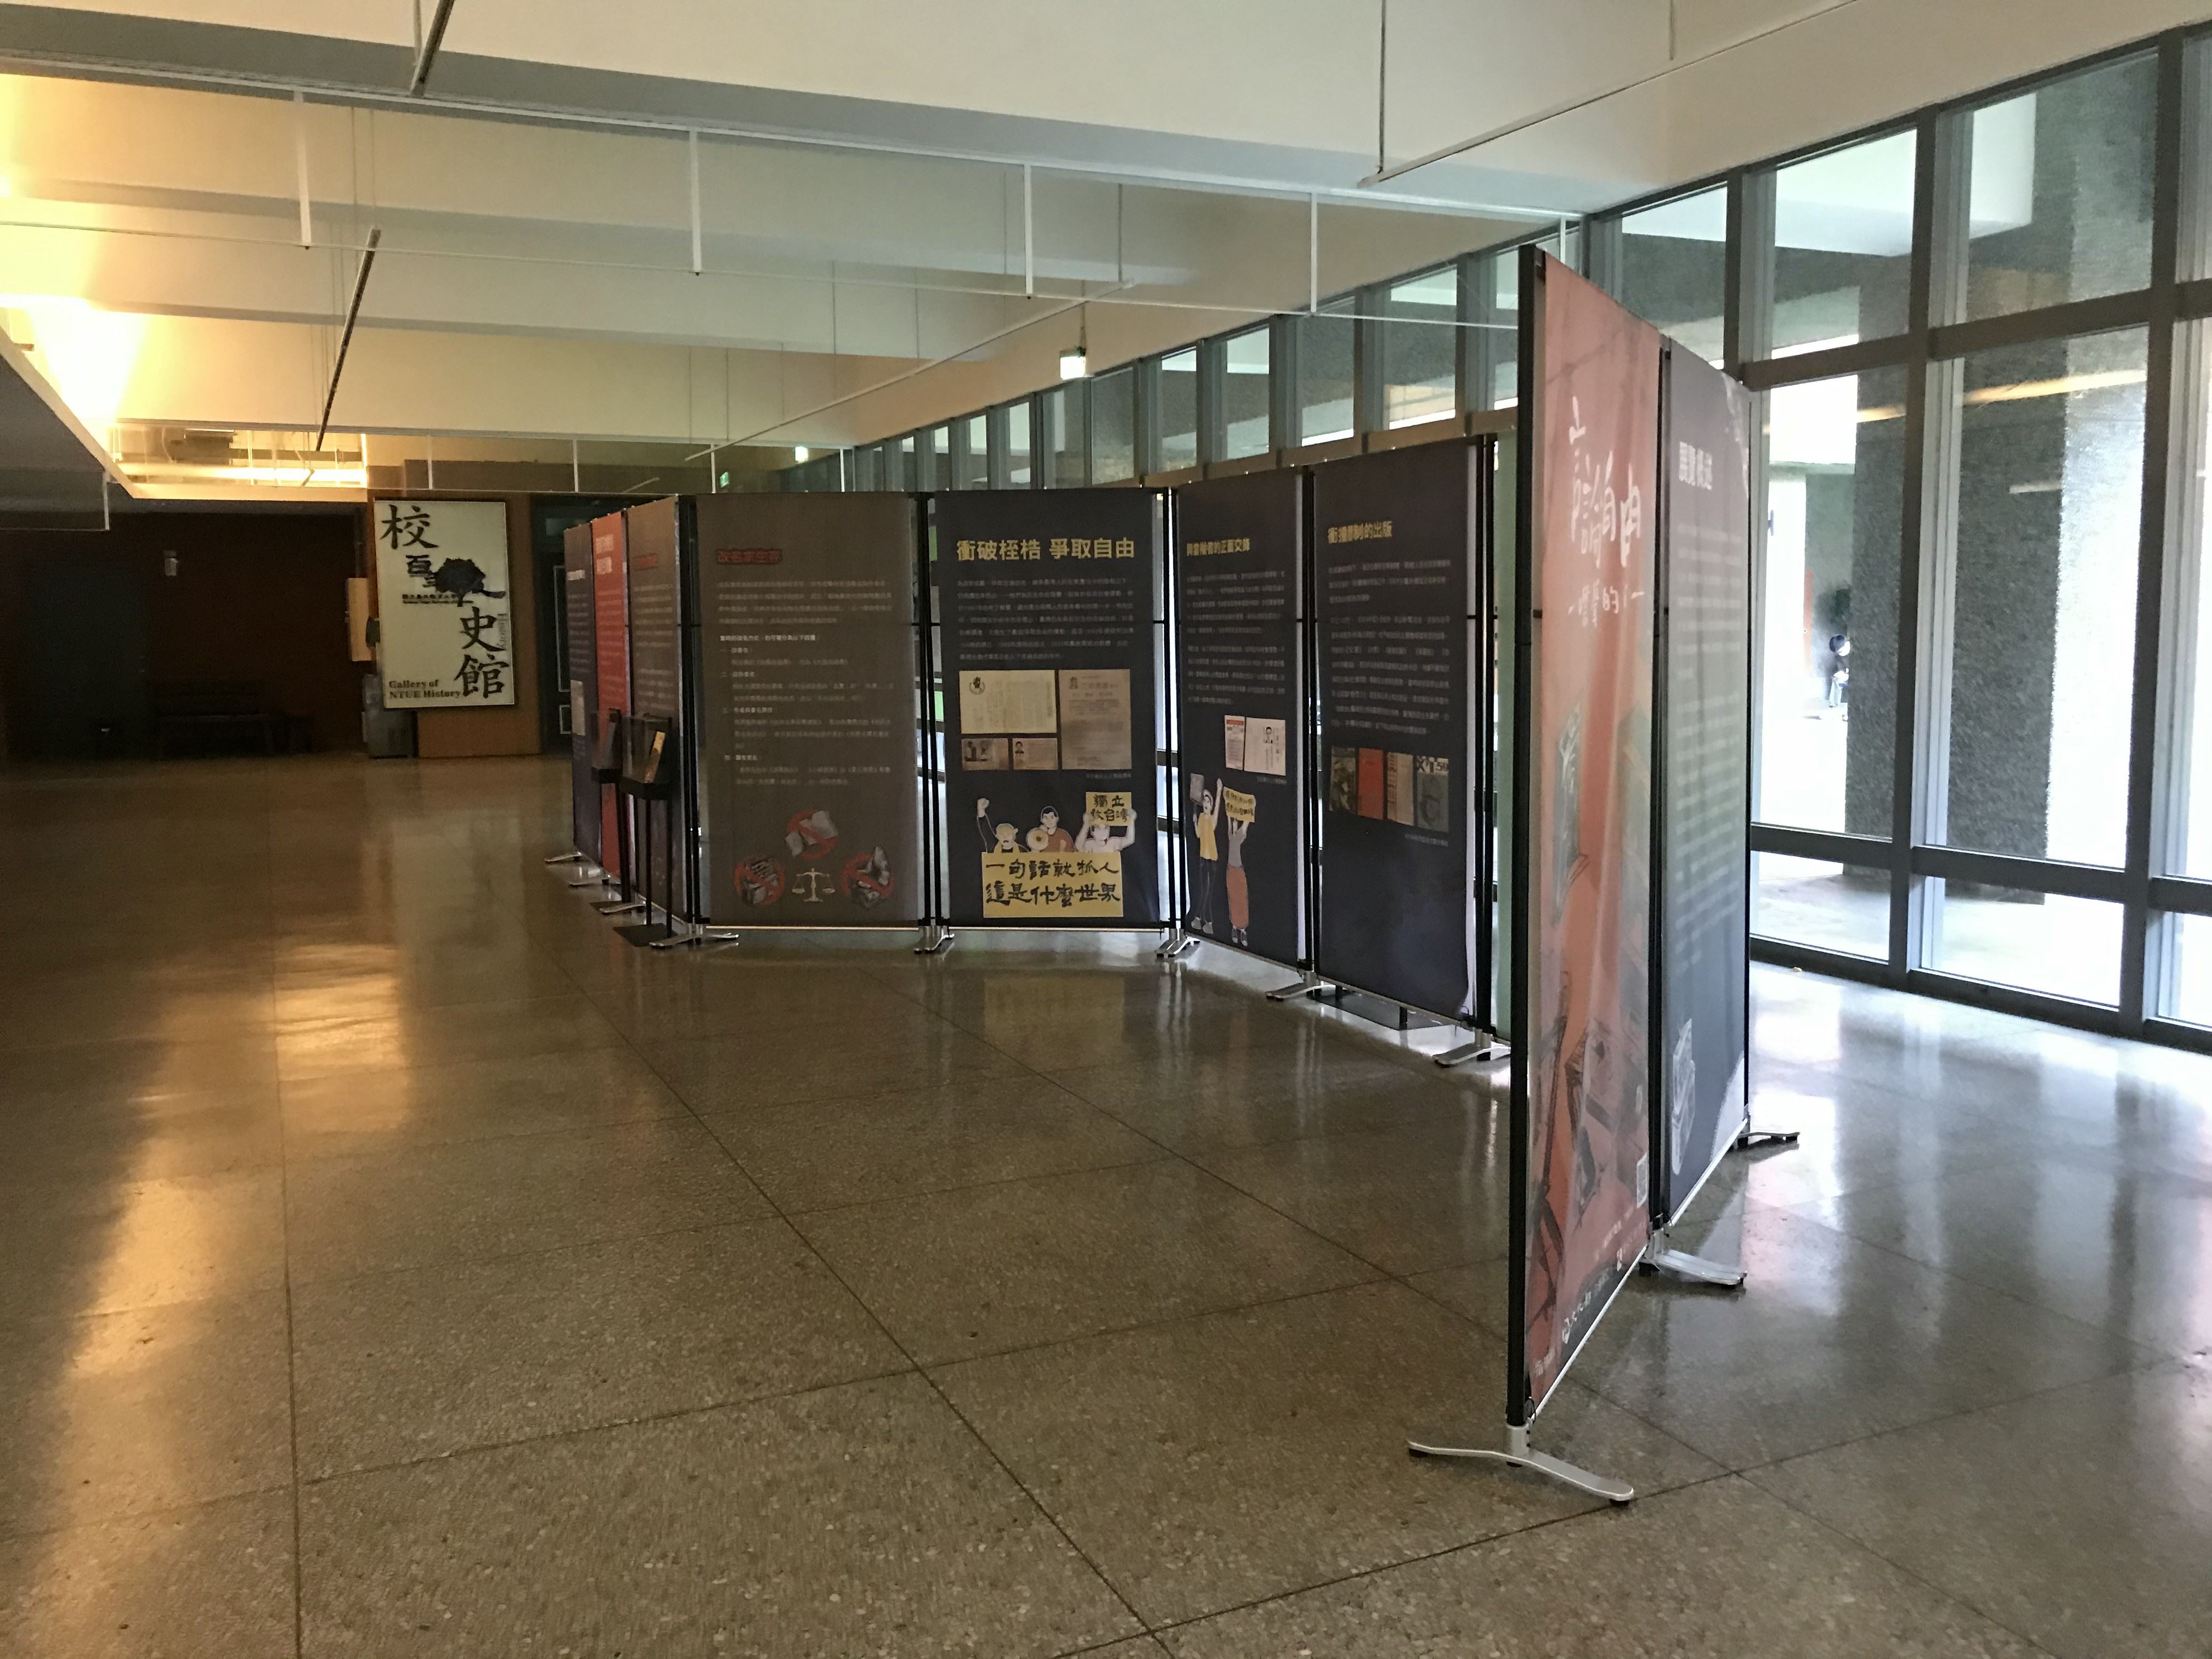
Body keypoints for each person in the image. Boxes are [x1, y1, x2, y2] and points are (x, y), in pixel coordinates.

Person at [1190, 776, 1221, 933]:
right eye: (1204, 801)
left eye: (1208, 801)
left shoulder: (1212, 819)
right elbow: (1198, 835)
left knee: (1209, 891)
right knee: (1204, 889)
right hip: (1203, 858)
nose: (1206, 803)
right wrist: (1195, 822)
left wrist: (1219, 790)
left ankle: (1206, 920)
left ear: (1211, 804)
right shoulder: (1202, 818)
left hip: (1212, 859)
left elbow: (1218, 808)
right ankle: (1201, 919)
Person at [1224, 810, 1251, 947]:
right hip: (1231, 870)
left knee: (1241, 898)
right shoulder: (1232, 836)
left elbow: (1246, 823)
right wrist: (1230, 818)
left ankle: (1243, 929)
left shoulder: (1239, 837)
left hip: (1238, 870)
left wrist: (1246, 814)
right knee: (1233, 898)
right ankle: (1235, 926)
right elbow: (1230, 829)